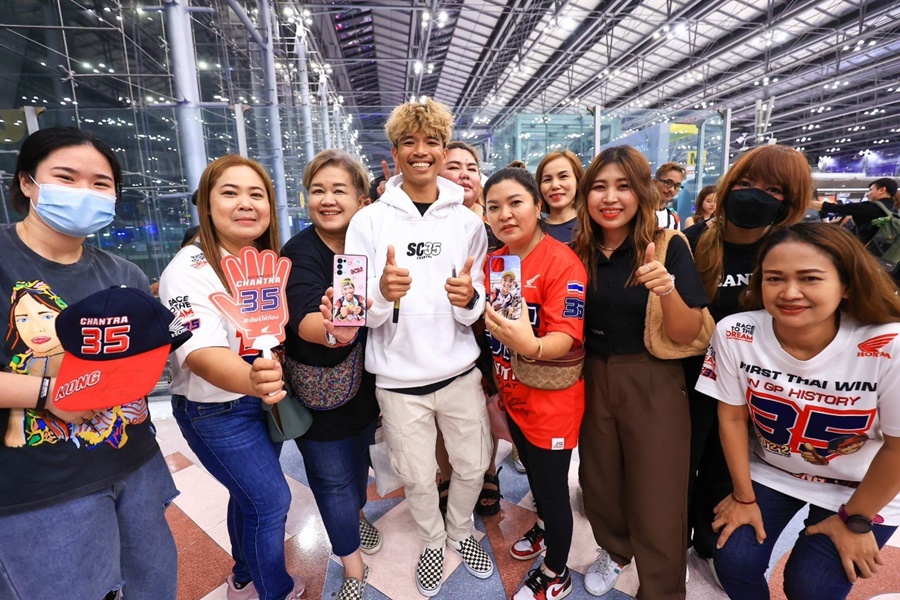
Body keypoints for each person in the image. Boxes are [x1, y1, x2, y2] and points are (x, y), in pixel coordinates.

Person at [0, 127, 179, 599]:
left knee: (154, 585)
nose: (85, 192)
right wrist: (48, 394)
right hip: (40, 487)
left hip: (132, 462)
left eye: (101, 183)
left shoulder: (124, 274)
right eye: (66, 177)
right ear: (26, 182)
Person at [696, 222, 900, 600]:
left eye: (810, 278)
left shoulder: (889, 344)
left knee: (811, 587)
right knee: (733, 559)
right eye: (774, 278)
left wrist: (856, 521)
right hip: (774, 471)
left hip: (863, 486)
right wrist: (743, 496)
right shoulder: (736, 332)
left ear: (847, 284)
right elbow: (732, 416)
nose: (789, 292)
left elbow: (897, 448)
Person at [344, 97, 494, 597]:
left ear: (444, 150)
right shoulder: (368, 222)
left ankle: (460, 529)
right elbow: (355, 309)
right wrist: (380, 296)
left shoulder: (468, 223)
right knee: (417, 475)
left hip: (459, 372)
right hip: (397, 379)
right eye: (409, 142)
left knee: (472, 465)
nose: (421, 151)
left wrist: (469, 299)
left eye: (431, 141)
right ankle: (432, 539)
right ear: (395, 152)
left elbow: (479, 300)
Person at [159, 155, 305, 600]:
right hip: (215, 411)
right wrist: (254, 381)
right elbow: (200, 354)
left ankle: (243, 575)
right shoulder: (188, 268)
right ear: (206, 204)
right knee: (271, 502)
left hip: (260, 401)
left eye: (257, 194)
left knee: (248, 498)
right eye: (230, 193)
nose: (246, 203)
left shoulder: (261, 262)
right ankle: (274, 590)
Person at [573, 145, 708, 599]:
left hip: (653, 377)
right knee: (600, 482)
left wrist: (666, 290)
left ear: (642, 193)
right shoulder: (579, 251)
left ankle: (662, 588)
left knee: (658, 494)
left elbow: (689, 334)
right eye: (600, 187)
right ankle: (614, 550)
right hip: (592, 375)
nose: (610, 197)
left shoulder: (668, 246)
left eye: (623, 186)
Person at [682, 144, 813, 575]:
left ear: (790, 200)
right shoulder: (693, 242)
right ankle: (671, 537)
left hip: (752, 392)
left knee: (724, 471)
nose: (755, 195)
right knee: (679, 467)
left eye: (773, 189)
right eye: (745, 183)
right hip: (687, 380)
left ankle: (709, 541)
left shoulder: (792, 251)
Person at [281, 149, 381, 600]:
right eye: (317, 190)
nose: (327, 199)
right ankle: (352, 564)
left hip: (366, 384)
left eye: (339, 190)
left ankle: (356, 517)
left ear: (361, 199)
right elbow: (304, 316)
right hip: (319, 390)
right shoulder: (300, 251)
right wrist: (331, 333)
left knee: (358, 464)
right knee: (331, 479)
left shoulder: (371, 245)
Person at [482, 167, 587, 600]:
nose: (505, 214)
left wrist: (532, 345)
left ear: (538, 206)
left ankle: (556, 572)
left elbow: (567, 334)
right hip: (514, 395)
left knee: (552, 490)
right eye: (494, 207)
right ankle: (543, 526)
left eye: (516, 203)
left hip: (551, 404)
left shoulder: (562, 262)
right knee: (538, 484)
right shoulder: (496, 262)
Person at [437, 140, 504, 518]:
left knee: (486, 405)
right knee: (440, 411)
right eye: (453, 166)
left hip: (487, 333)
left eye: (471, 168)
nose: (463, 174)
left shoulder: (497, 225)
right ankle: (446, 475)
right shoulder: (427, 225)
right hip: (439, 333)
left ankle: (489, 470)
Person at [811, 178, 899, 244]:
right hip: (886, 255)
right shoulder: (894, 211)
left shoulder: (870, 207)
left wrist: (806, 202)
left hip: (867, 252)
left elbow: (834, 208)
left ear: (881, 190)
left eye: (871, 190)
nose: (868, 194)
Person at [536, 150, 584, 243]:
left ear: (578, 181)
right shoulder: (532, 232)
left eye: (563, 176)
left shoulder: (590, 228)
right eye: (547, 179)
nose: (555, 185)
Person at [652, 161, 686, 230]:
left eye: (677, 186)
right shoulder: (637, 212)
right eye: (668, 182)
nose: (672, 189)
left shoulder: (674, 219)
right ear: (654, 182)